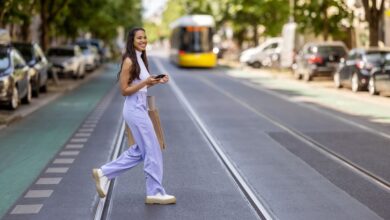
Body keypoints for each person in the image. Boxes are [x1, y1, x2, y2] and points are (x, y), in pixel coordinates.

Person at [92, 27, 176, 205]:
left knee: (140, 150)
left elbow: (140, 87)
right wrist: (145, 82)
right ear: (131, 40)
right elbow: (124, 90)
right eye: (139, 38)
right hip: (134, 110)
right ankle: (155, 192)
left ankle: (104, 173)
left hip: (139, 108)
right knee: (152, 149)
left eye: (145, 38)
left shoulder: (140, 59)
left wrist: (154, 82)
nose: (143, 40)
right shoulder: (129, 61)